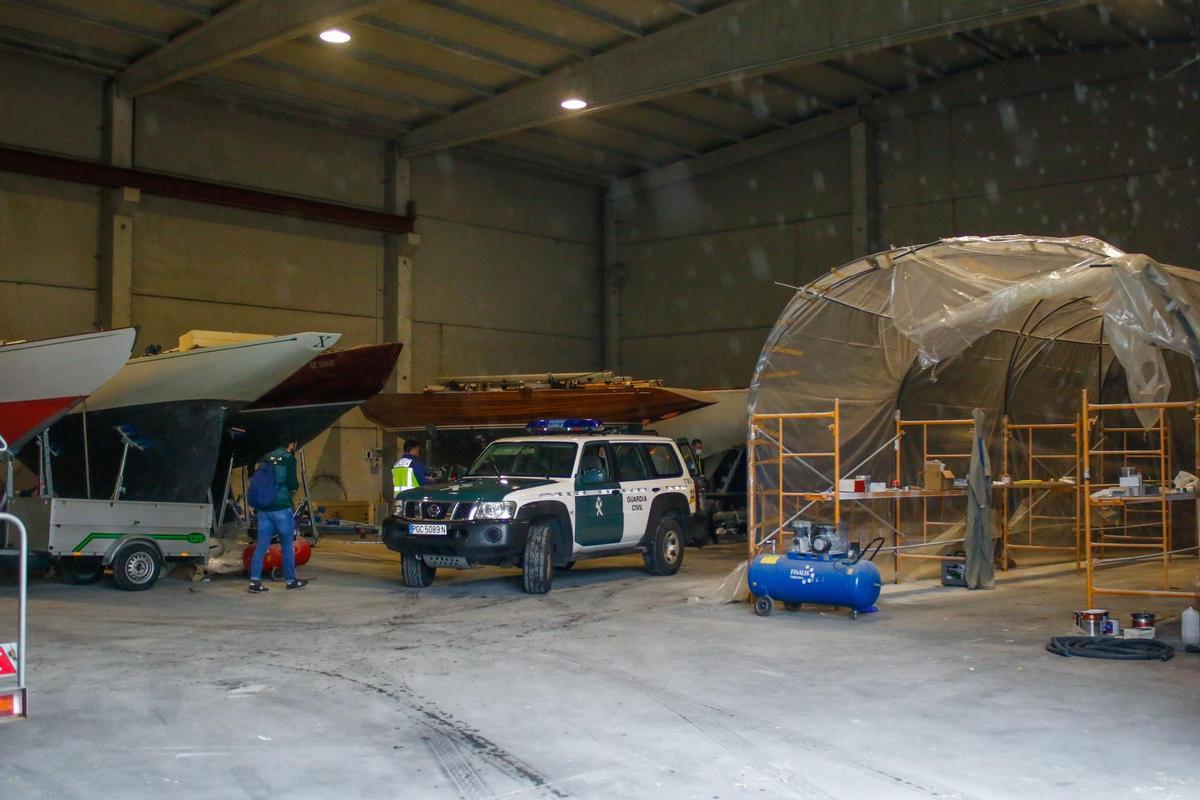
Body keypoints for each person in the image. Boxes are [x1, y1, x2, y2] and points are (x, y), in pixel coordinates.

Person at [248, 434, 307, 593]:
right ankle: (291, 581)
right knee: (287, 545)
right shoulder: (288, 458)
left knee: (261, 546)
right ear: (291, 444)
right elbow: (291, 481)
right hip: (281, 508)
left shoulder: (268, 457)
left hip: (264, 508)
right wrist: (294, 488)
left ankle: (254, 582)